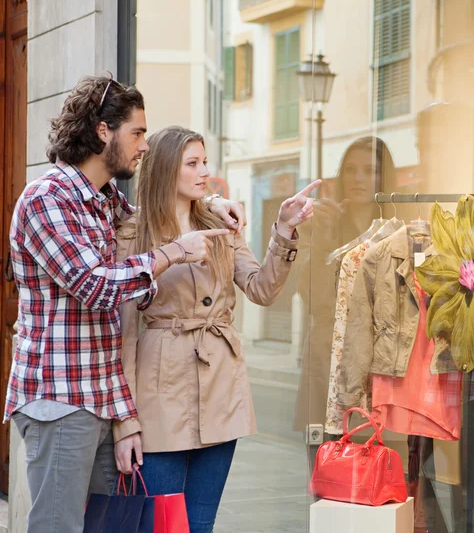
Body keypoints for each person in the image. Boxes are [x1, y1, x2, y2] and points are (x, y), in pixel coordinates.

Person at [3, 76, 246, 533]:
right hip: (60, 399)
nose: (145, 146)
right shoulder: (47, 199)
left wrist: (211, 201)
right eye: (137, 133)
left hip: (101, 398)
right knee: (58, 526)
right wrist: (174, 253)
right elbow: (94, 286)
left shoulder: (106, 201)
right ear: (102, 132)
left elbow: (162, 210)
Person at [112, 125, 320, 533]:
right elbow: (125, 336)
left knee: (200, 524)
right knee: (161, 526)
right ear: (167, 169)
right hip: (159, 396)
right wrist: (125, 424)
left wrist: (283, 231)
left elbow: (261, 289)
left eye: (205, 161)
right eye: (193, 163)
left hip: (220, 388)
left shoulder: (222, 225)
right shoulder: (133, 235)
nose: (205, 171)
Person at [293, 136, 398, 436]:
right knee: (329, 466)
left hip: (382, 362)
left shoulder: (400, 226)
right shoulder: (324, 222)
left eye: (369, 170)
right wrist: (324, 235)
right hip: (329, 357)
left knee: (385, 463)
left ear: (383, 175)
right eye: (351, 170)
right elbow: (313, 299)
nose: (359, 178)